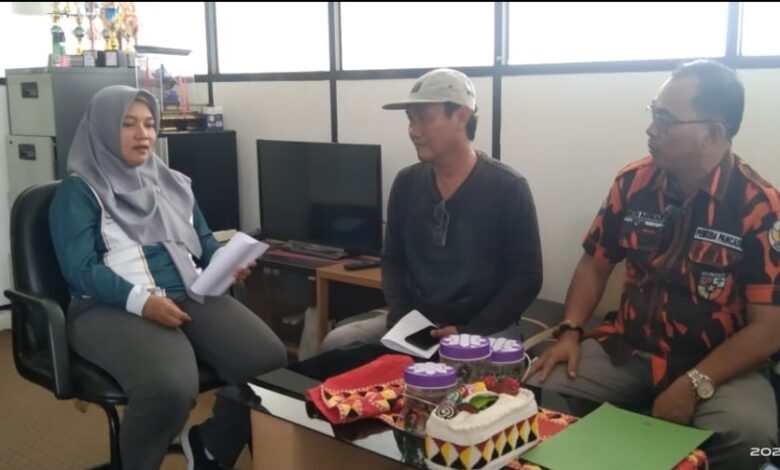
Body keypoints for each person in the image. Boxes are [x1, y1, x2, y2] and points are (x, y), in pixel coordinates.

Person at [529, 60, 780, 469]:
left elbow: (769, 328)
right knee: (542, 381)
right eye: (653, 113)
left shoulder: (758, 206)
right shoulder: (633, 182)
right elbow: (595, 264)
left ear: (713, 134)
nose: (651, 129)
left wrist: (694, 384)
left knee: (752, 438)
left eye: (665, 119)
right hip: (630, 349)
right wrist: (570, 330)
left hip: (718, 364)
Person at [49, 85, 287, 470]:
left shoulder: (170, 182)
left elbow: (203, 240)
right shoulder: (79, 191)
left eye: (149, 124)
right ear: (102, 129)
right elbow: (80, 269)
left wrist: (226, 263)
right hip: (110, 306)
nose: (143, 134)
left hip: (189, 292)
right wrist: (143, 302)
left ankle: (211, 447)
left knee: (269, 363)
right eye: (128, 124)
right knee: (170, 388)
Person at [321, 68, 543, 351]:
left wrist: (468, 331)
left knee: (461, 368)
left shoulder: (508, 187)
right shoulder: (407, 182)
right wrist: (402, 321)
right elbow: (393, 260)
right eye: (410, 119)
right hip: (419, 322)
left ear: (461, 116)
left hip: (485, 327)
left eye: (424, 118)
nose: (414, 130)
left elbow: (527, 277)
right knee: (337, 341)